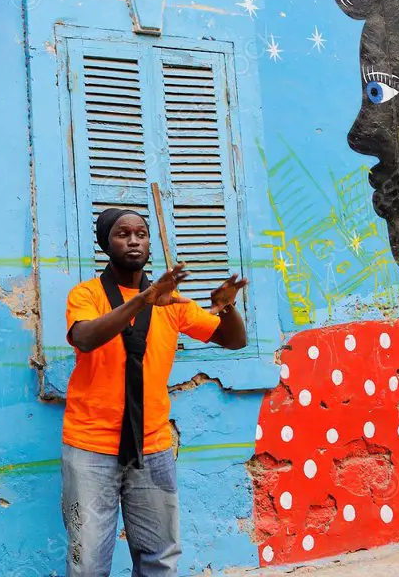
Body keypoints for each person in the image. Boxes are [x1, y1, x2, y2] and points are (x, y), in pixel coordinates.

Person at [62, 208, 248, 577]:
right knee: (87, 566)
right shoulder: (86, 294)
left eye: (141, 233)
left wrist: (226, 306)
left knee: (160, 559)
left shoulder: (172, 301)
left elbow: (234, 340)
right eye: (122, 233)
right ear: (105, 243)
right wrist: (142, 300)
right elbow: (84, 337)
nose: (134, 240)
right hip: (91, 446)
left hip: (153, 447)